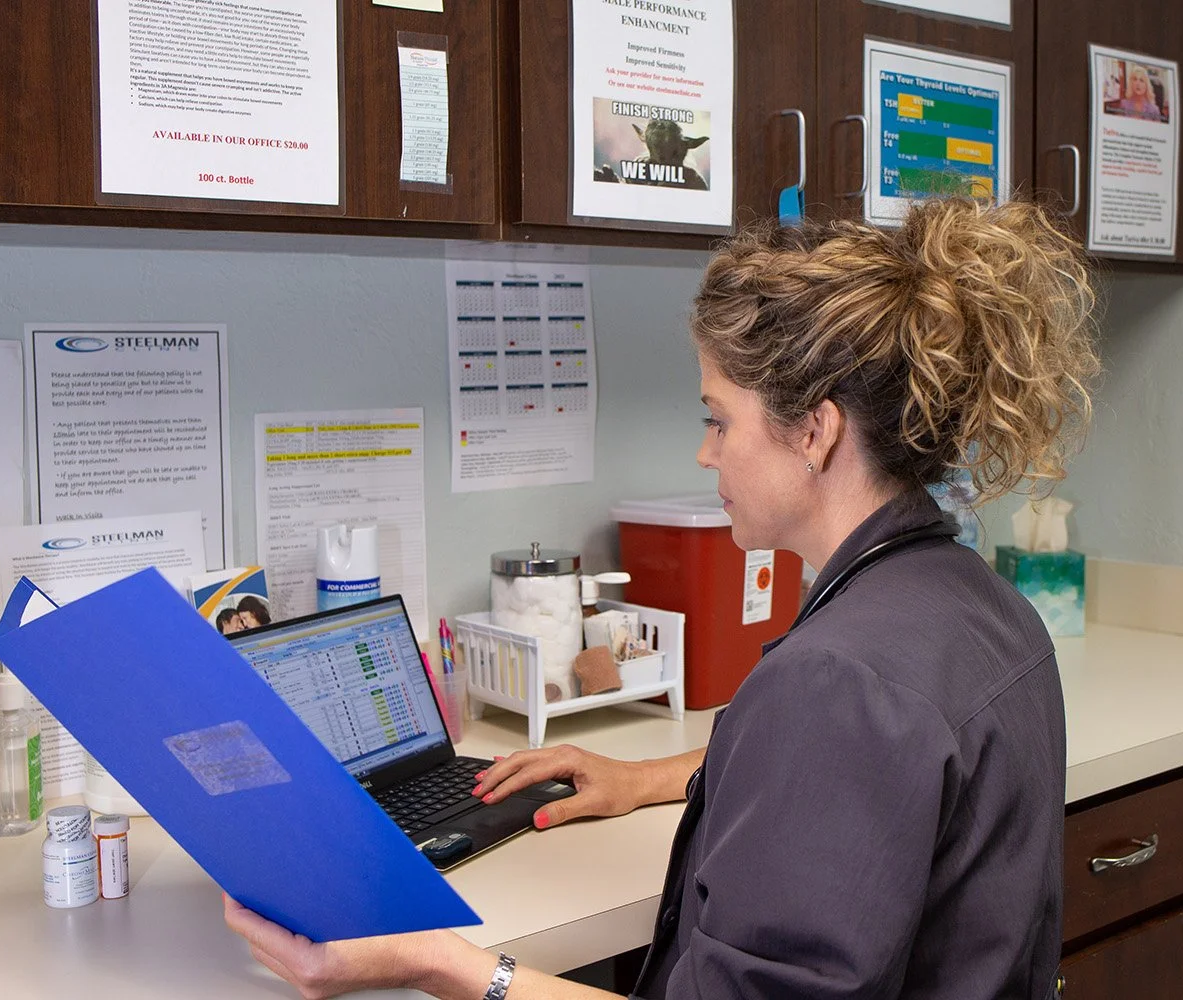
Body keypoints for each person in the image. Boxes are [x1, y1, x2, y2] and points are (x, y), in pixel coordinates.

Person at [224, 197, 1099, 1000]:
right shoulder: (982, 607)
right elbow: (870, 786)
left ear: (816, 431)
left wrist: (434, 960)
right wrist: (647, 777)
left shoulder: (838, 681)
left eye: (718, 419)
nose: (705, 455)